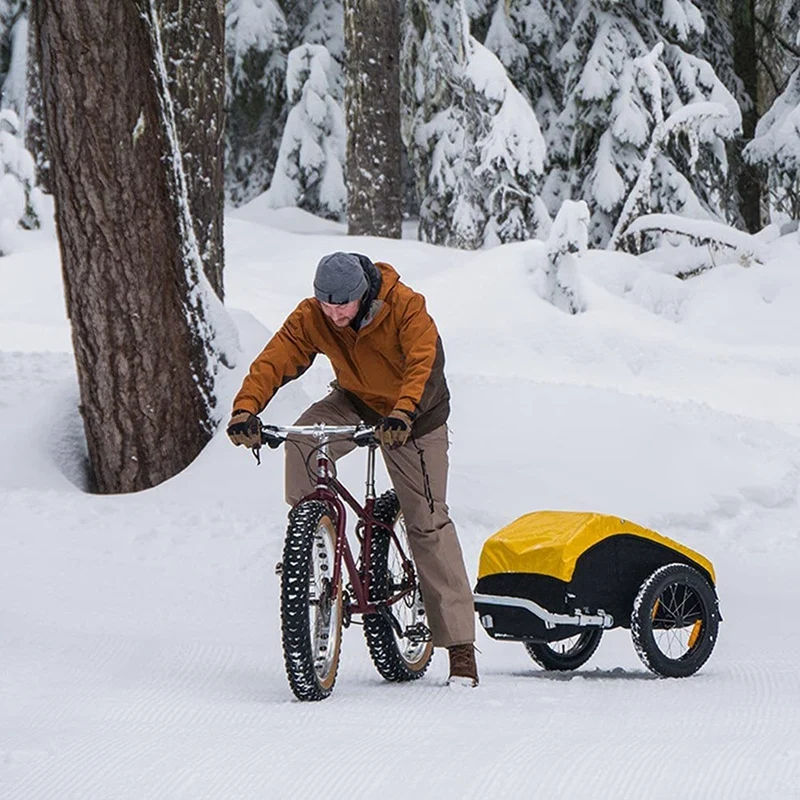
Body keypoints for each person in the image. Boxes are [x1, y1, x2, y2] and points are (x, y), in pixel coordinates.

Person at [226, 251, 478, 687]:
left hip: (414, 417)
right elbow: (276, 359)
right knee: (304, 440)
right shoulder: (314, 316)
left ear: (363, 295)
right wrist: (245, 408)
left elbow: (423, 362)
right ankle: (312, 544)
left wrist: (403, 413)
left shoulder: (404, 306)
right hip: (356, 402)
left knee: (427, 523)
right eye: (326, 303)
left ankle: (459, 648)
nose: (334, 312)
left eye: (342, 304)